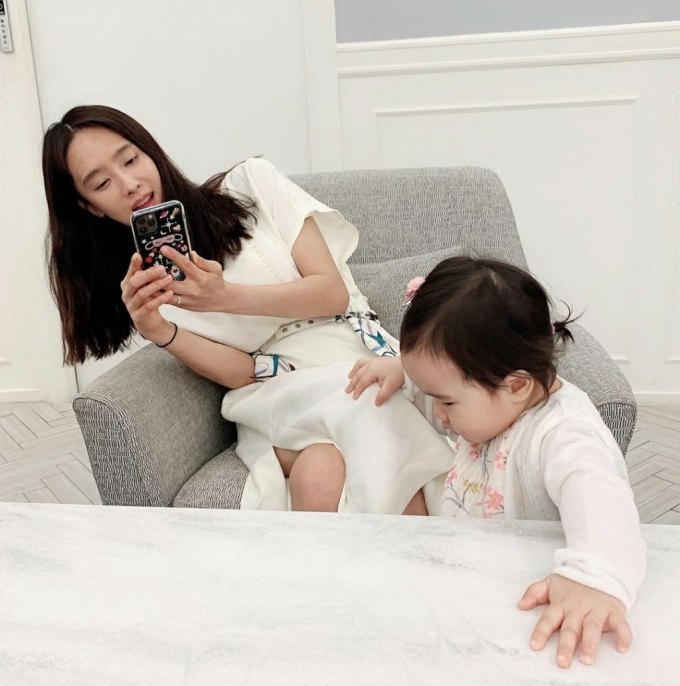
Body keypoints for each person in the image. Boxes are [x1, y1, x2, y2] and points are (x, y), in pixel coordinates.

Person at [43, 104, 454, 514]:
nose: (129, 184)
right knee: (372, 411)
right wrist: (159, 331)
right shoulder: (150, 287)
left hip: (352, 354)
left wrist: (224, 297)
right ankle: (430, 541)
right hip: (277, 392)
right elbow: (243, 373)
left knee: (324, 465)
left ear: (150, 151)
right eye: (102, 183)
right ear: (89, 206)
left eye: (131, 159)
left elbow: (331, 294)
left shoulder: (251, 184)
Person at [346, 255, 646, 669]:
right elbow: (450, 387)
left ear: (517, 385)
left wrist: (594, 579)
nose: (440, 414)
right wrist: (402, 370)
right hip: (473, 584)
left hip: (524, 600)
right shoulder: (491, 399)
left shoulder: (564, 433)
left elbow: (603, 502)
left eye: (446, 401)